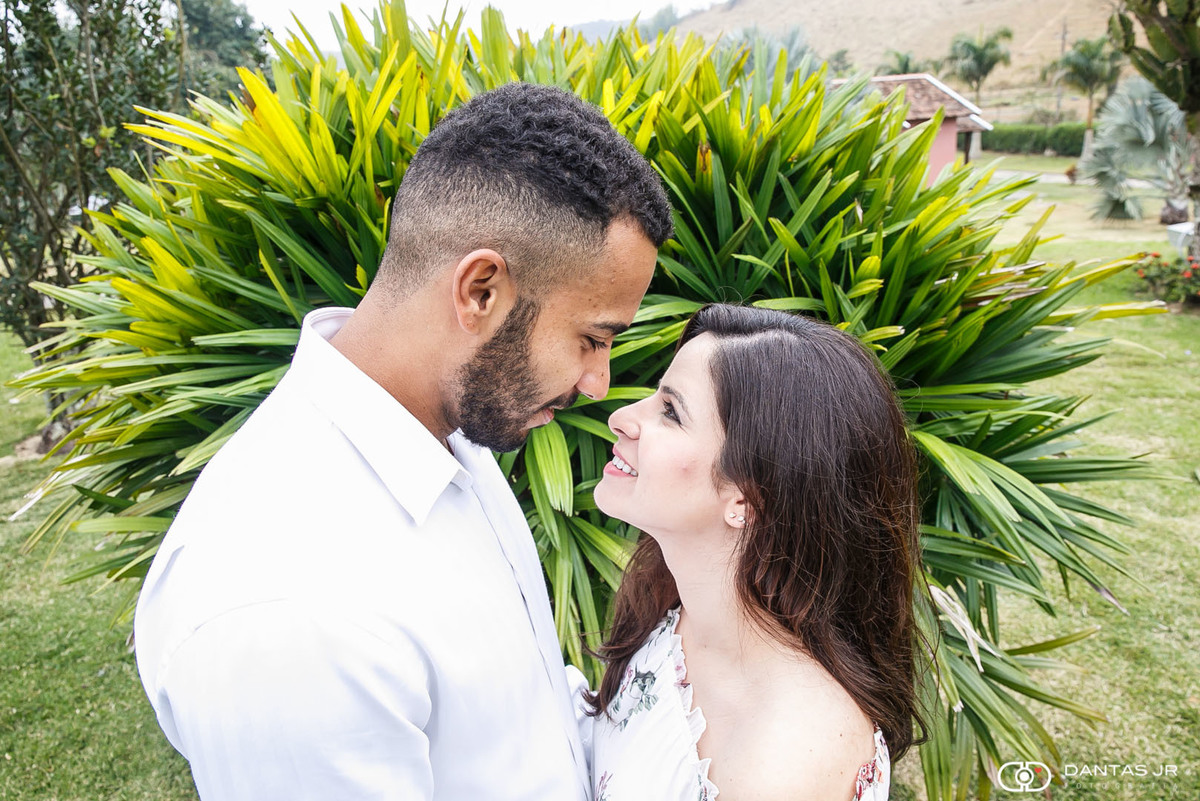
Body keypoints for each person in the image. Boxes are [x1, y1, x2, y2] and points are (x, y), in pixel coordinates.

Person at [133, 82, 672, 800]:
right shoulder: (283, 614)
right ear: (481, 291)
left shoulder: (447, 431)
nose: (600, 382)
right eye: (591, 338)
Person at [588, 303, 926, 801]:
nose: (620, 417)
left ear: (746, 498)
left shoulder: (783, 765)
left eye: (670, 412)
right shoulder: (683, 609)